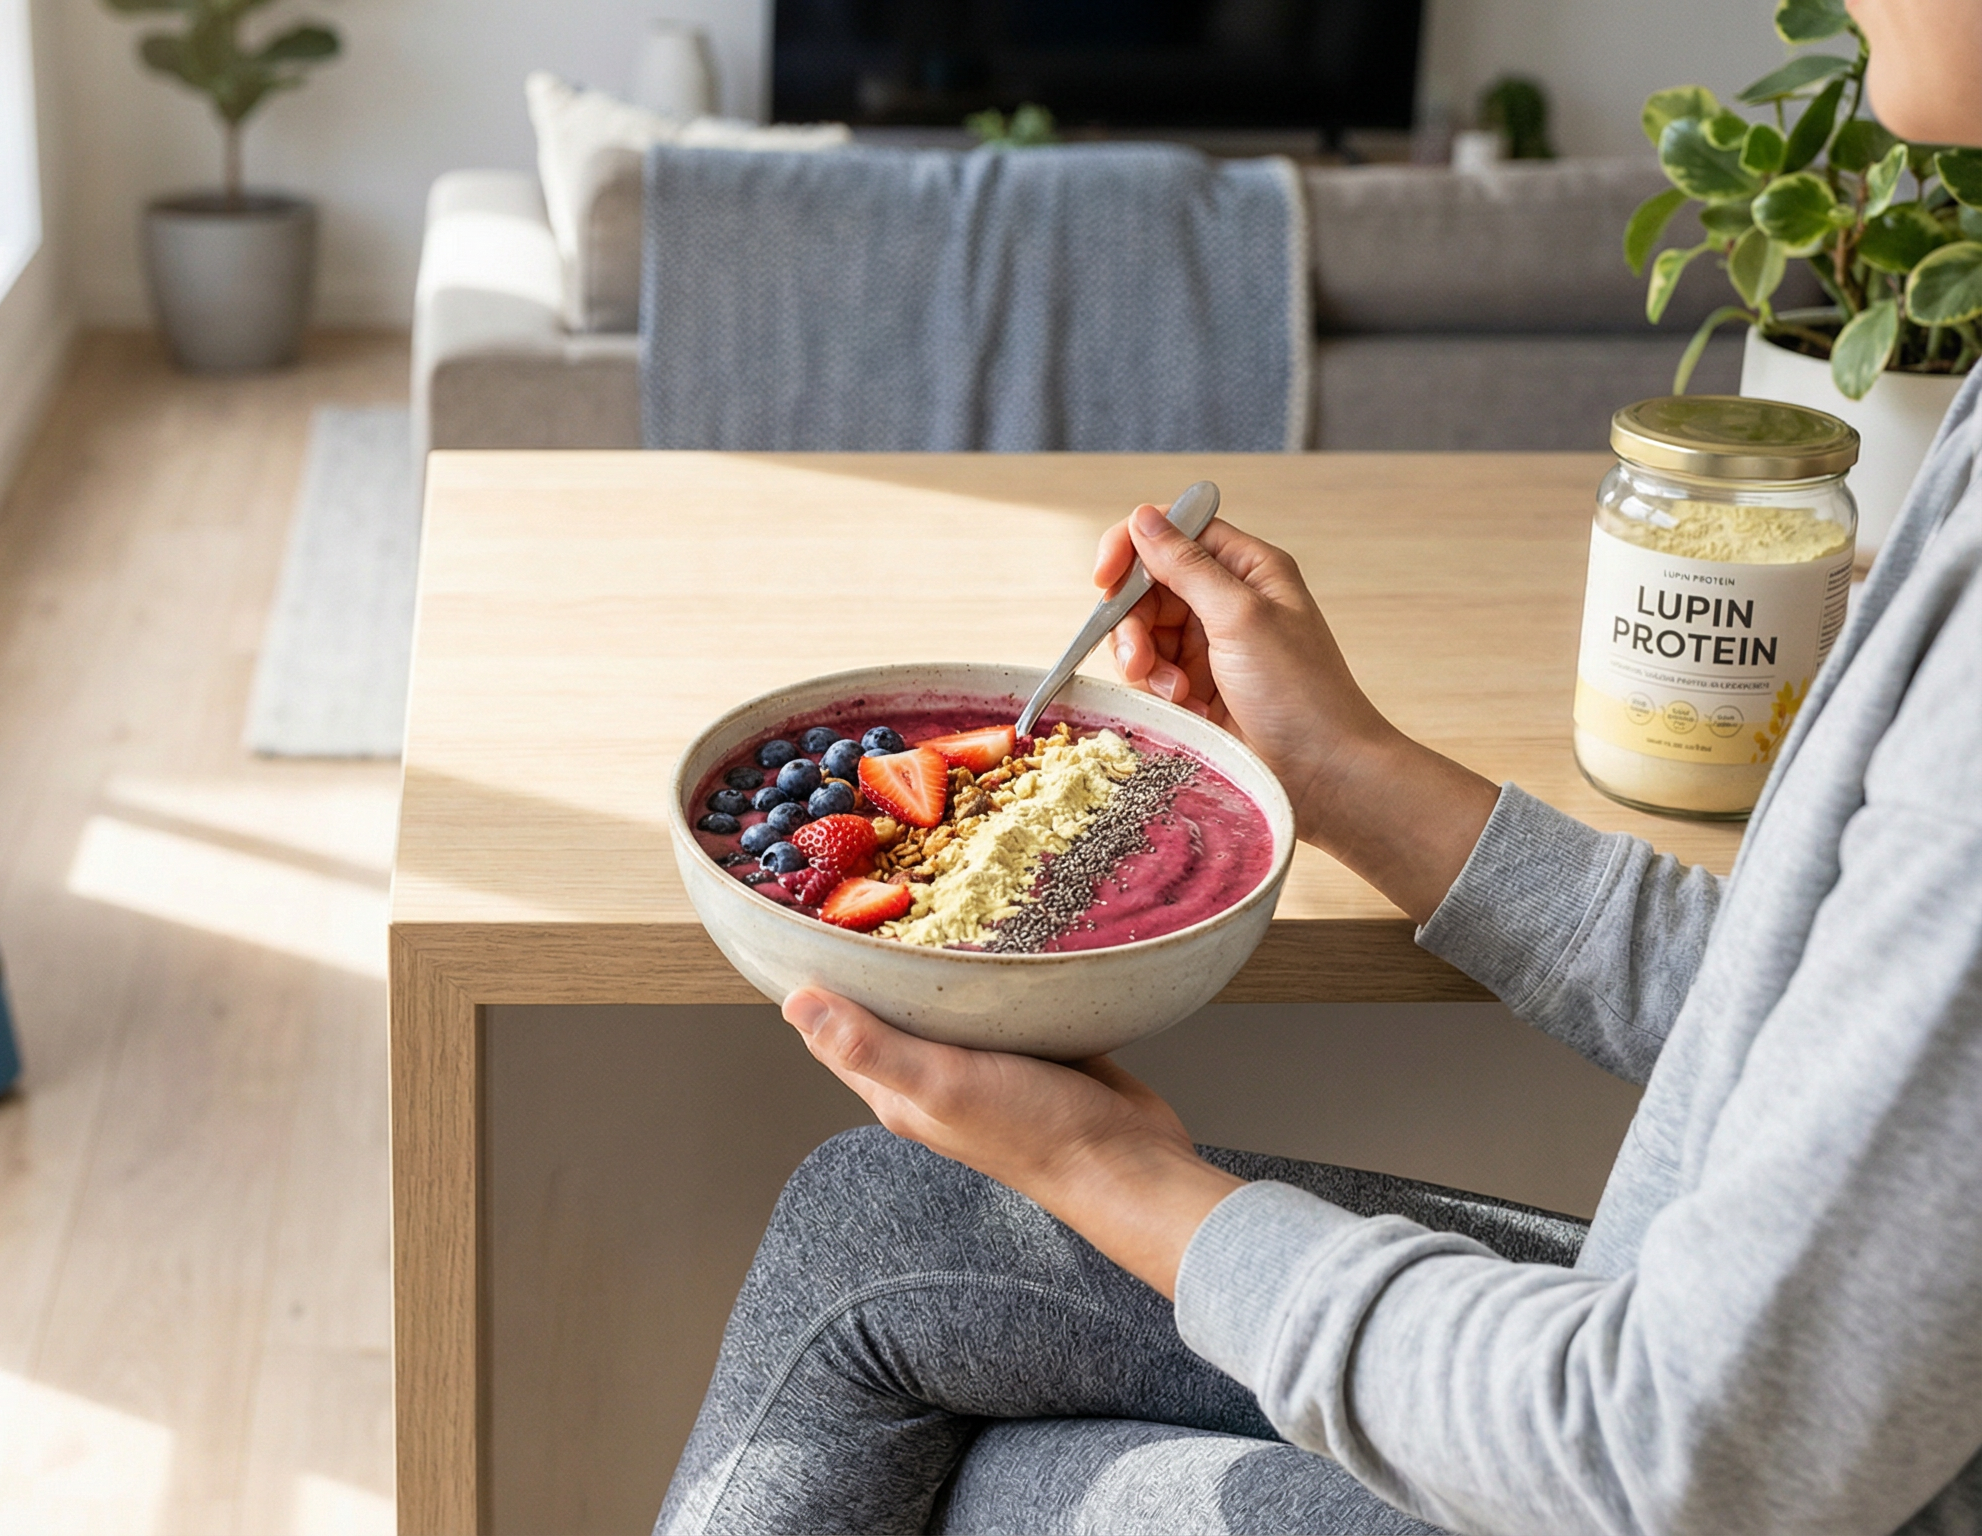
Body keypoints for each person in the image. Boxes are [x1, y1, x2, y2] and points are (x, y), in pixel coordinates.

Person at [656, 3, 1982, 1531]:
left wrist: (1116, 1173)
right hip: (1761, 1379)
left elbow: (1681, 1460)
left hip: (1685, 1446)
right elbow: (1818, 1011)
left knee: (1013, 1491)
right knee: (876, 1221)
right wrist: (1340, 770)